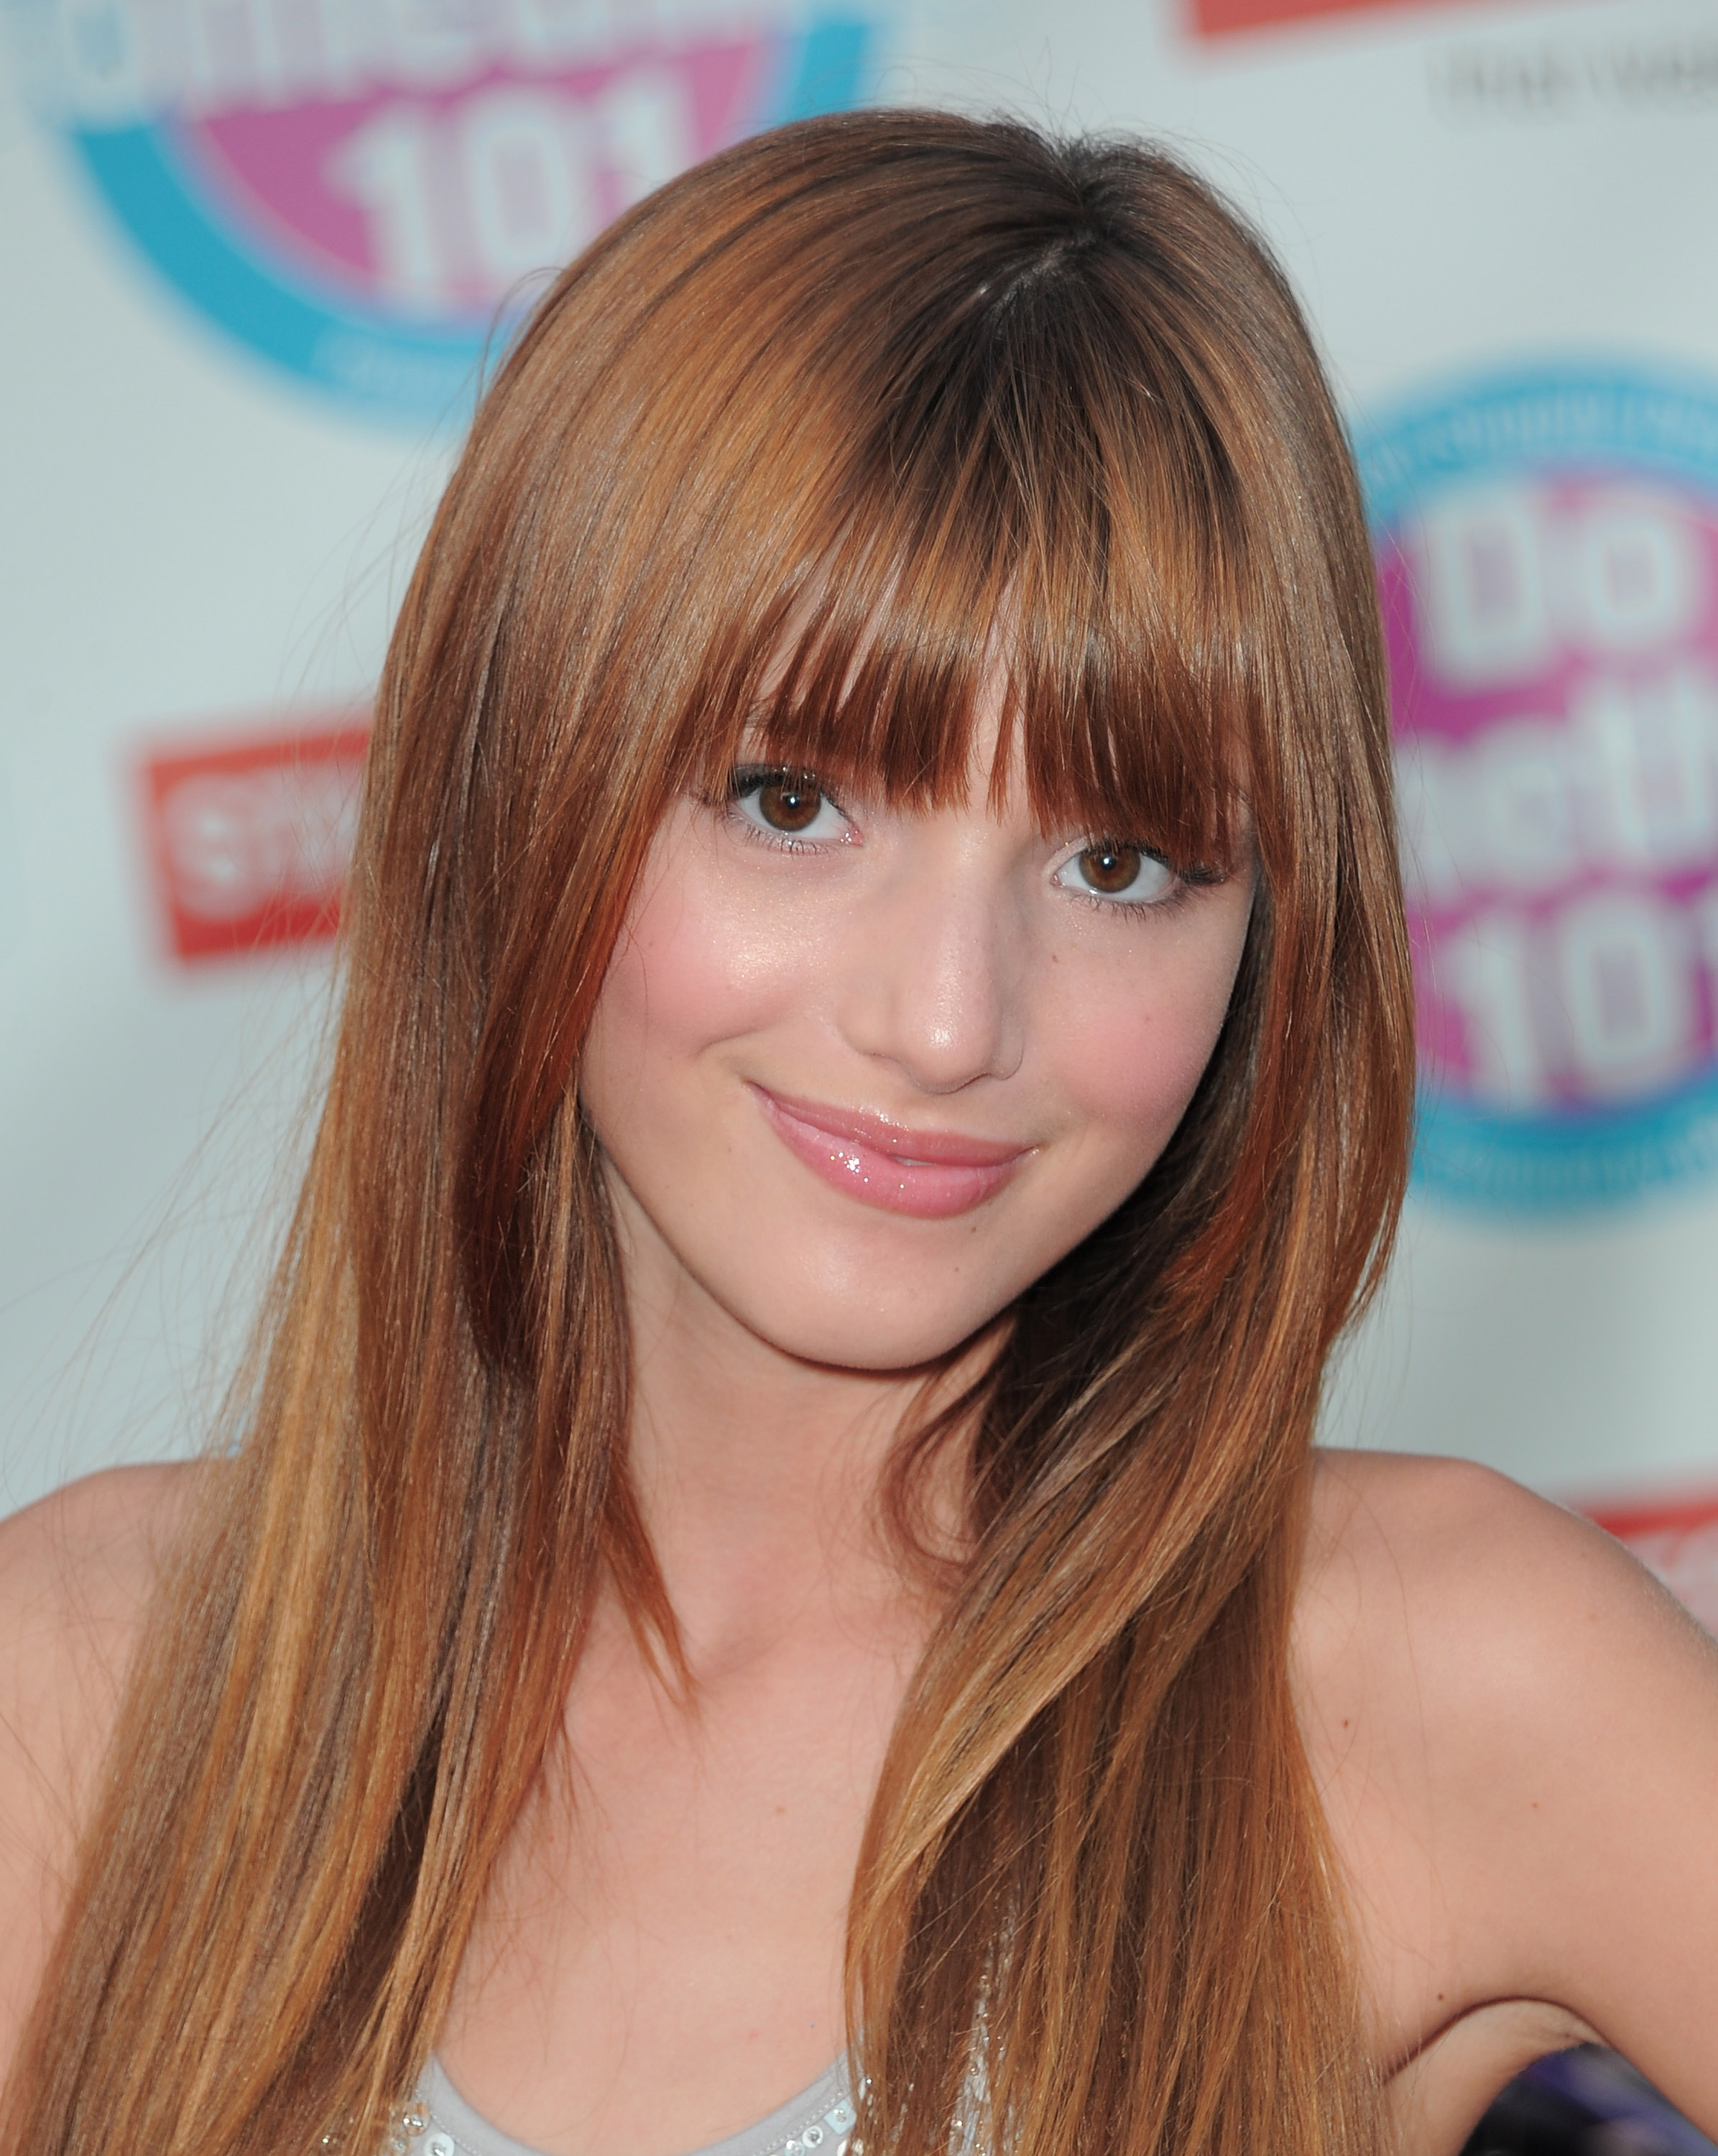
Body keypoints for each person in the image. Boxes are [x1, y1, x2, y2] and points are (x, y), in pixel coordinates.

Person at [1, 108, 1715, 2156]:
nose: (948, 1019)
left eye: (1120, 861)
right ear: (514, 776)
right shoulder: (88, 1691)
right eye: (793, 803)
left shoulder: (1421, 1680)